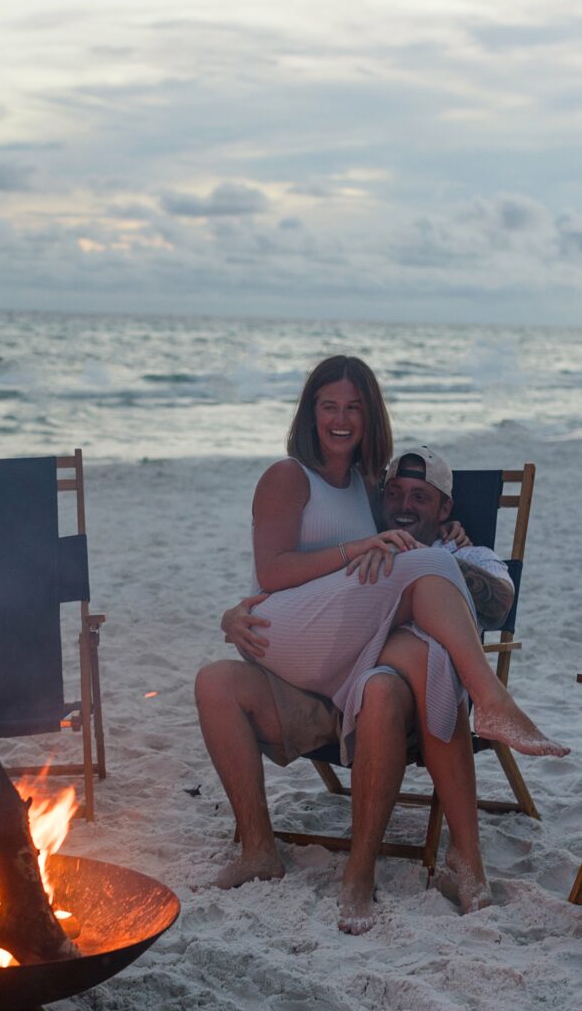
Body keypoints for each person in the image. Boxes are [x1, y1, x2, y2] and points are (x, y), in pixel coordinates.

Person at [194, 356, 569, 927]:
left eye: (354, 407)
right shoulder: (288, 476)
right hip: (286, 635)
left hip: (349, 658)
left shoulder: (369, 489)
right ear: (310, 413)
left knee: (421, 658)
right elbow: (270, 573)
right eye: (329, 406)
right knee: (423, 574)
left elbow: (440, 574)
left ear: (371, 417)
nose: (341, 419)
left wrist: (436, 546)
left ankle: (363, 868)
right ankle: (491, 703)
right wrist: (239, 611)